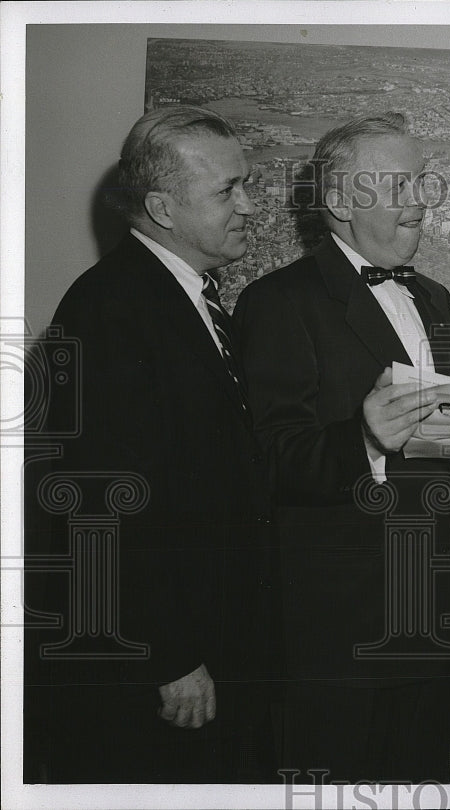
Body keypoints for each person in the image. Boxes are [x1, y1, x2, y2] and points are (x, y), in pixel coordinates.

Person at [23, 106, 277, 782]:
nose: (250, 205)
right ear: (162, 207)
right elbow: (100, 504)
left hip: (204, 642)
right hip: (159, 665)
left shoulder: (179, 295)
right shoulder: (111, 308)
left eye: (246, 183)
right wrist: (168, 656)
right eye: (228, 190)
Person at [233, 113, 450, 782]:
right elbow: (273, 464)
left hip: (432, 626)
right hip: (338, 643)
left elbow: (432, 451)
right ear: (338, 203)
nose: (420, 200)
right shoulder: (278, 302)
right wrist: (363, 437)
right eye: (397, 185)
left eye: (420, 181)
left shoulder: (435, 299)